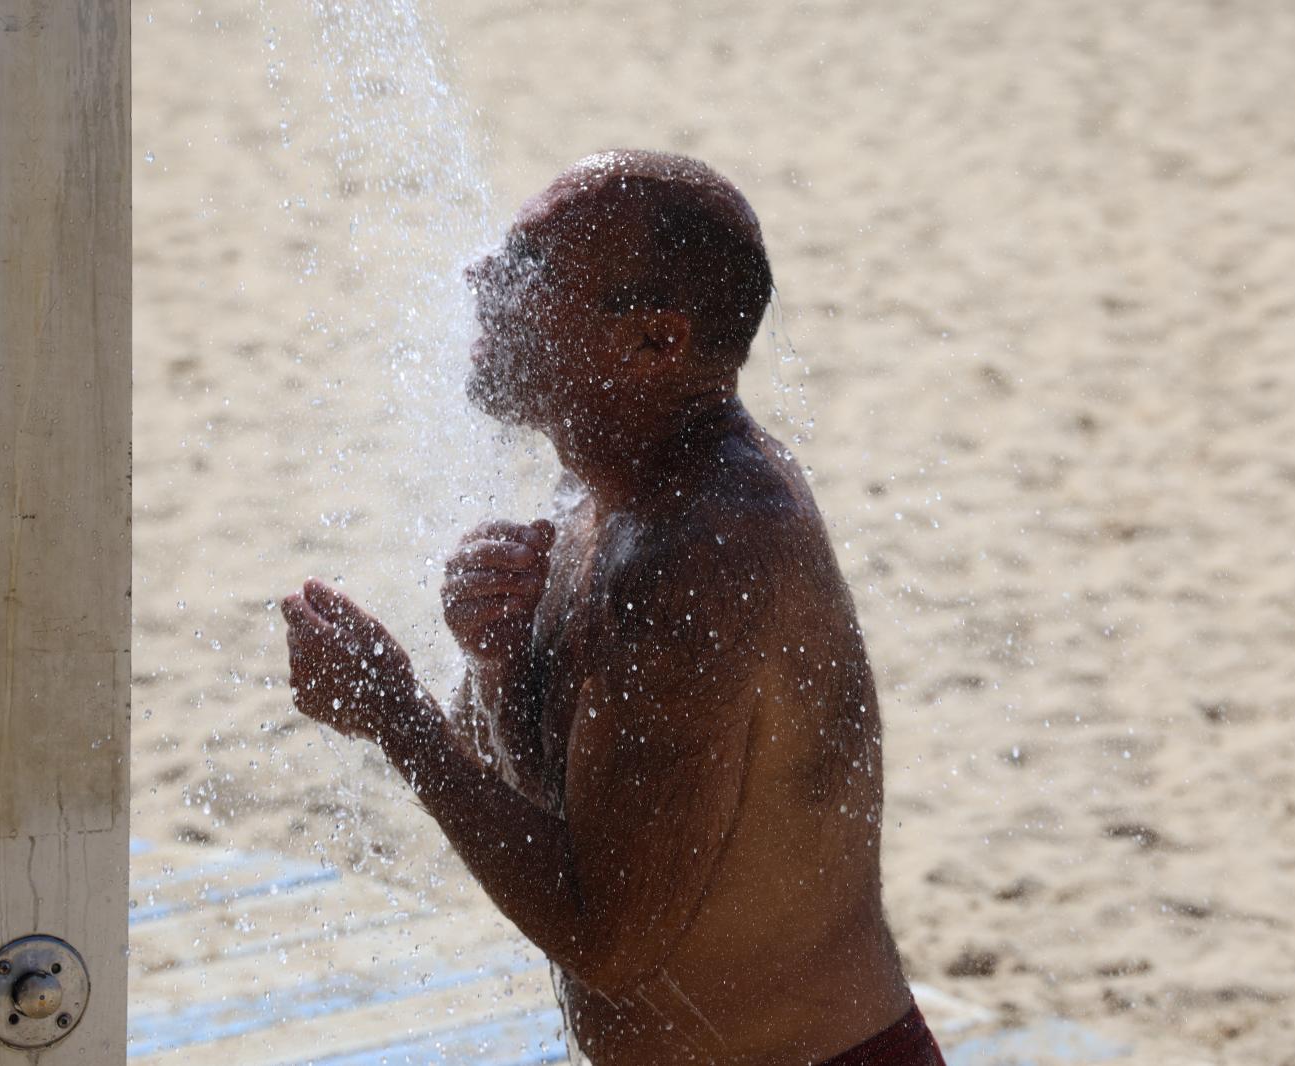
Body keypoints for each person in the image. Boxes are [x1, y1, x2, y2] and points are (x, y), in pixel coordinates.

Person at [282, 150, 946, 1065]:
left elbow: (610, 942)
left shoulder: (705, 543)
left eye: (530, 266)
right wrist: (497, 659)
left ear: (653, 342)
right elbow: (555, 794)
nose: (479, 274)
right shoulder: (596, 495)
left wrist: (398, 720)